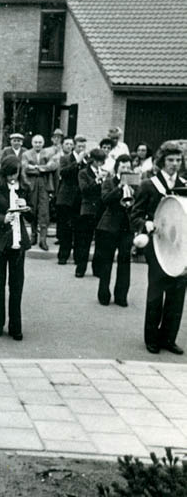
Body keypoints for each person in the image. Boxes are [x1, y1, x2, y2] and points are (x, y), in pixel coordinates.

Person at [130, 141, 187, 355]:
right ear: (162, 162)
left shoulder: (185, 183)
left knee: (178, 292)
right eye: (170, 160)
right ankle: (152, 338)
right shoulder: (149, 184)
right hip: (157, 245)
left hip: (181, 246)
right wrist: (144, 224)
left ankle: (168, 338)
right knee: (156, 292)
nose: (174, 164)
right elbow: (134, 214)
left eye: (178, 160)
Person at [0, 156, 31, 340]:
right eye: (9, 174)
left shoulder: (24, 188)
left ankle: (15, 326)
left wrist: (27, 209)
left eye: (15, 174)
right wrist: (2, 219)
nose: (12, 177)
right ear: (3, 173)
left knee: (16, 286)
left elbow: (32, 215)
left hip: (18, 242)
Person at [94, 155, 135, 307]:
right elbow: (105, 199)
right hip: (109, 227)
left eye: (128, 167)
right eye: (123, 167)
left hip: (126, 227)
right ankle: (103, 294)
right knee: (106, 262)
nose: (126, 170)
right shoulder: (109, 182)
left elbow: (137, 203)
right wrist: (119, 188)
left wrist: (132, 191)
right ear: (117, 167)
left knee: (125, 262)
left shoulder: (134, 183)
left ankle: (121, 296)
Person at [75, 149, 108, 278]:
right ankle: (81, 268)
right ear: (92, 160)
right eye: (98, 161)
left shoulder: (105, 173)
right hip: (88, 209)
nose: (101, 164)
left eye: (102, 161)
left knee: (100, 241)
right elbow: (84, 190)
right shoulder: (83, 173)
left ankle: (97, 269)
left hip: (101, 209)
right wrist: (97, 181)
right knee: (85, 240)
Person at [55, 137, 81, 264]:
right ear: (74, 147)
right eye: (79, 146)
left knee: (78, 229)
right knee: (65, 228)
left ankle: (77, 257)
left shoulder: (87, 160)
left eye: (83, 147)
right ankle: (63, 256)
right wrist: (77, 163)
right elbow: (64, 173)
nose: (81, 149)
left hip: (79, 199)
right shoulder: (65, 158)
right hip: (66, 198)